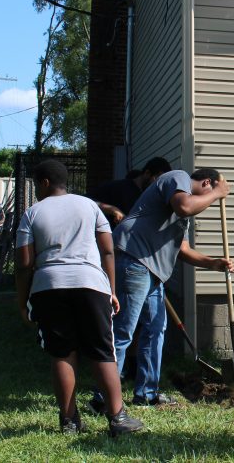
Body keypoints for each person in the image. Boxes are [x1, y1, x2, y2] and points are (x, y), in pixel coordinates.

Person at [15, 160, 144, 437]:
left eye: (37, 184)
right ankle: (118, 418)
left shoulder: (32, 213)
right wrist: (110, 289)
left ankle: (69, 420)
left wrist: (22, 300)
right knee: (102, 352)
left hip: (48, 286)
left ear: (45, 183)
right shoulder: (88, 205)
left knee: (62, 353)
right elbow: (108, 250)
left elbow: (24, 264)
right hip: (90, 284)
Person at [89, 167, 234, 412]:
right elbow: (185, 206)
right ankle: (101, 399)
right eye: (211, 190)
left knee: (156, 330)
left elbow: (183, 250)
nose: (208, 201)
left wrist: (212, 263)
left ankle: (146, 394)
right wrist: (218, 193)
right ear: (207, 182)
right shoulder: (178, 178)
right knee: (125, 329)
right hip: (135, 260)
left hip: (152, 272)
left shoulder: (182, 214)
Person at [87, 157, 172, 226]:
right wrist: (113, 210)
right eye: (157, 180)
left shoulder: (151, 196)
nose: (159, 185)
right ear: (147, 173)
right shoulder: (118, 187)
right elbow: (85, 202)